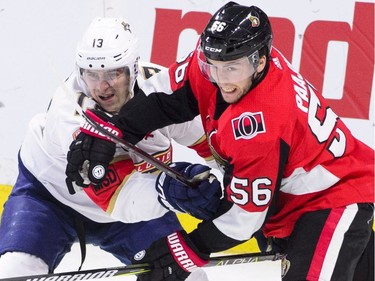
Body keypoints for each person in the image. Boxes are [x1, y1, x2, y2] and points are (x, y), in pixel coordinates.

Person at [65, 2, 375, 281]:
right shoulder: (220, 60)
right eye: (213, 65)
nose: (221, 78)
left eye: (232, 68)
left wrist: (184, 250)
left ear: (260, 61)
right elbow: (163, 97)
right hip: (290, 204)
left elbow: (245, 217)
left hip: (333, 198)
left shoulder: (263, 120)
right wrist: (110, 131)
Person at [0, 17, 221, 279]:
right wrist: (172, 191)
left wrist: (250, 199)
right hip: (49, 199)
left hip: (134, 208)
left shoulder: (161, 90)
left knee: (192, 277)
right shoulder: (69, 114)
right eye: (91, 74)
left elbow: (214, 146)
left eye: (113, 73)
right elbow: (117, 196)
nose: (101, 87)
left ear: (134, 68)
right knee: (14, 272)